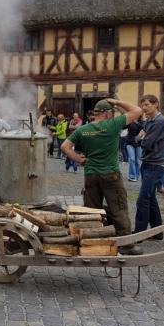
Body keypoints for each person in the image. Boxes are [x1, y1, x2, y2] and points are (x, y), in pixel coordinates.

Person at [61, 98, 144, 255]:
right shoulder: (113, 125)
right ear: (106, 114)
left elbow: (65, 147)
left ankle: (90, 242)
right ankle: (125, 245)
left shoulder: (82, 129)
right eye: (112, 113)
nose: (113, 115)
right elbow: (137, 111)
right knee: (118, 208)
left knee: (91, 210)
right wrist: (117, 101)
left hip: (91, 174)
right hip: (110, 174)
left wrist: (79, 160)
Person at [133, 95, 164, 239]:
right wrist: (142, 137)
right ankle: (157, 232)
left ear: (156, 105)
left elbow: (146, 142)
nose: (144, 108)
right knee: (150, 198)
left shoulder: (160, 121)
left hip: (155, 164)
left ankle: (139, 233)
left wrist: (142, 137)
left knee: (143, 199)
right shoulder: (149, 121)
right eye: (143, 105)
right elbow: (137, 138)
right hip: (148, 163)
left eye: (147, 105)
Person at [125, 117, 144, 182]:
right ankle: (132, 176)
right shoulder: (130, 121)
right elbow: (123, 127)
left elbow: (143, 128)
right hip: (129, 143)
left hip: (138, 143)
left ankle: (137, 175)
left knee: (138, 161)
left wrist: (136, 122)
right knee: (132, 159)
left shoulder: (141, 122)